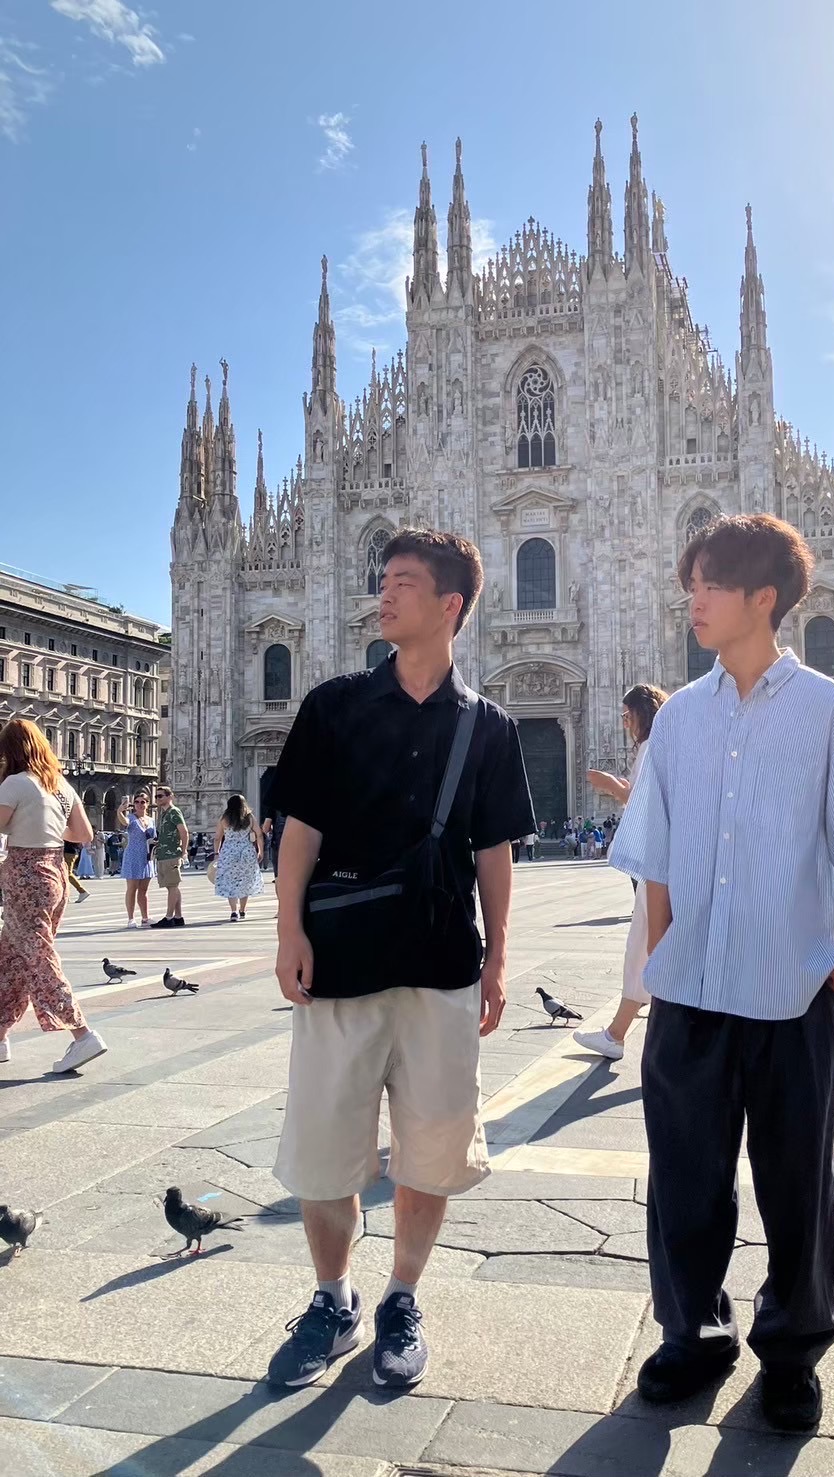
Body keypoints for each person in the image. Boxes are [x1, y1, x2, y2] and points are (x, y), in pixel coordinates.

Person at [609, 514, 834, 1431]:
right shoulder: (680, 719)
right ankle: (693, 1333)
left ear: (763, 597)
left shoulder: (831, 712)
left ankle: (793, 1350)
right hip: (691, 988)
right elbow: (654, 852)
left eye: (710, 584)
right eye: (690, 583)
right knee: (684, 1181)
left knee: (797, 1183)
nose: (692, 600)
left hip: (791, 990)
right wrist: (660, 955)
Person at [265, 529, 534, 1394]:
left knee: (432, 1150)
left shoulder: (489, 726)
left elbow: (494, 850)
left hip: (442, 967)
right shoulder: (334, 706)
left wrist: (499, 957)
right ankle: (333, 1296)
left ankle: (402, 1298)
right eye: (382, 578)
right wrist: (288, 930)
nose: (383, 592)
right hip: (341, 965)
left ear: (450, 604)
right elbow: (299, 829)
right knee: (323, 1151)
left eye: (403, 582)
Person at [0, 718, 109, 1073]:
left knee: (39, 957)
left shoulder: (15, 783)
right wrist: (45, 826)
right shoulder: (59, 784)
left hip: (26, 876)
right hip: (55, 872)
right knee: (11, 959)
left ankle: (82, 1034)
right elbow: (83, 833)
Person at [577, 683, 669, 1061]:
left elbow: (642, 798)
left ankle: (619, 1035)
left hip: (657, 862)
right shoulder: (661, 744)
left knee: (646, 947)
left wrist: (611, 786)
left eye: (627, 715)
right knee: (645, 946)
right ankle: (617, 1034)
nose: (625, 723)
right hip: (660, 862)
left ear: (641, 714)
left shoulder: (652, 746)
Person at [214, 794, 265, 921]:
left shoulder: (224, 818)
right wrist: (260, 851)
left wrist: (216, 853)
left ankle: (233, 911)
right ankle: (242, 910)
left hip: (228, 853)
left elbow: (217, 837)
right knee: (244, 881)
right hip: (246, 851)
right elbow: (259, 834)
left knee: (230, 881)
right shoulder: (249, 817)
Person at [151, 785, 189, 929]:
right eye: (156, 796)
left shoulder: (174, 812)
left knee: (172, 886)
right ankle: (178, 917)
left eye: (160, 796)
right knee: (172, 886)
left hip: (172, 854)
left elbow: (184, 832)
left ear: (170, 796)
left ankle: (169, 917)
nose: (158, 799)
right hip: (163, 854)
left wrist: (183, 852)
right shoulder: (164, 814)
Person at [120, 790, 157, 927]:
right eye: (137, 802)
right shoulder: (131, 818)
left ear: (147, 804)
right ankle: (131, 918)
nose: (140, 804)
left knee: (143, 889)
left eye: (143, 802)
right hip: (133, 855)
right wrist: (120, 811)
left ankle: (145, 917)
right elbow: (124, 822)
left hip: (147, 856)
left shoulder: (151, 820)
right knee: (132, 888)